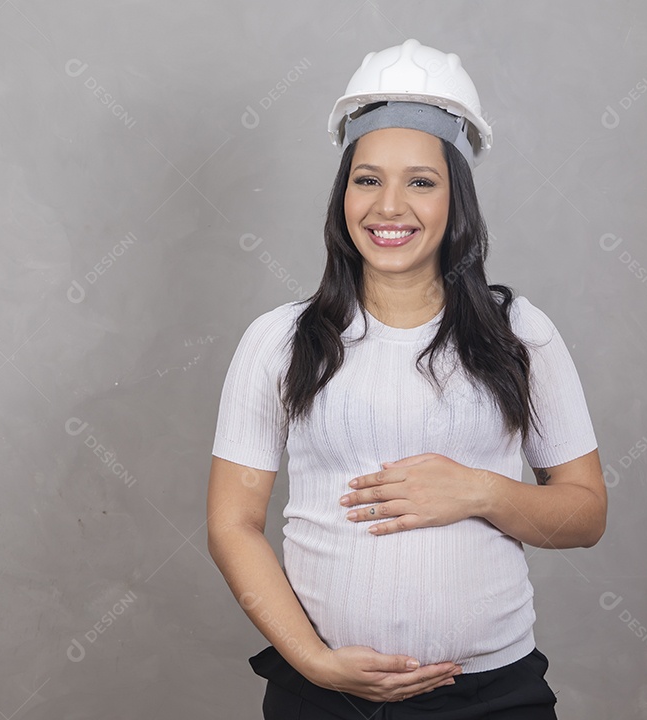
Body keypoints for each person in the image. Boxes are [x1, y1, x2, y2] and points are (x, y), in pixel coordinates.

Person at [207, 38, 606, 719]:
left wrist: (478, 490)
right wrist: (314, 662)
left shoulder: (520, 332)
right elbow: (233, 523)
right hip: (324, 699)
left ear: (457, 200)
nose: (389, 206)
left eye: (421, 181)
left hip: (491, 697)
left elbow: (585, 514)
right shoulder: (279, 340)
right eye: (368, 179)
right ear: (343, 195)